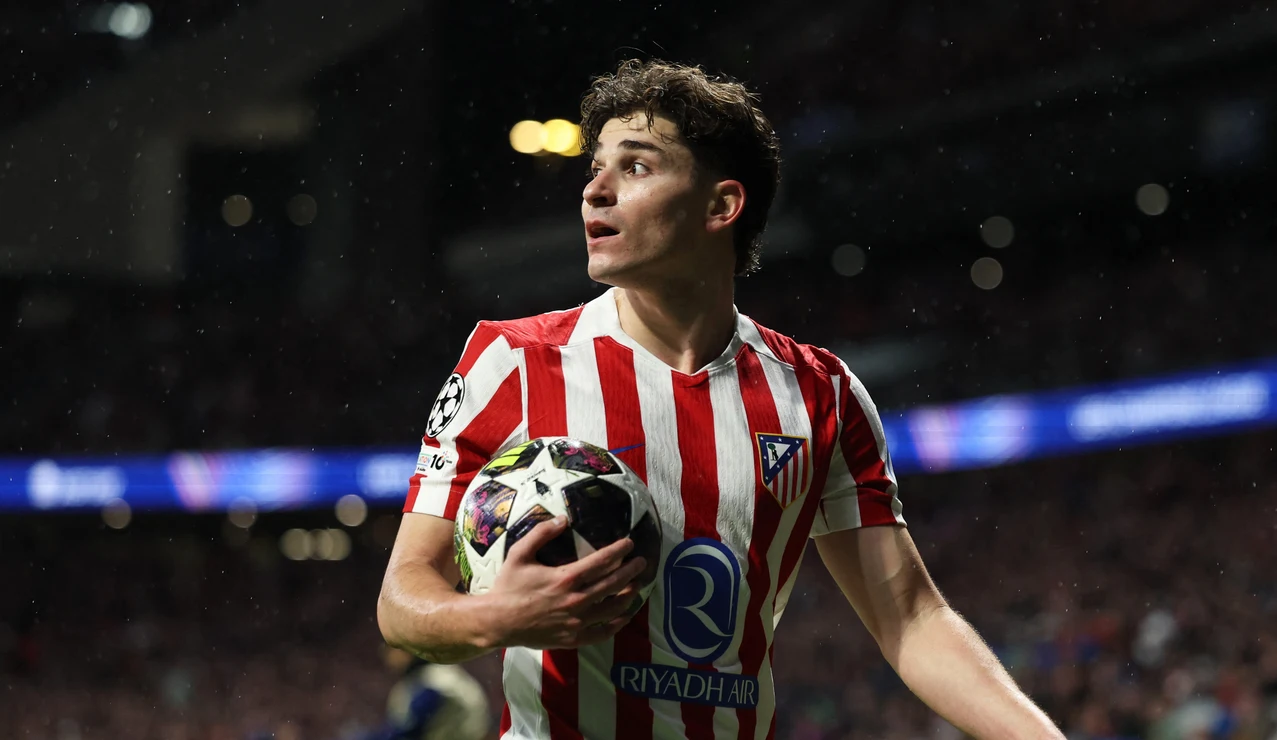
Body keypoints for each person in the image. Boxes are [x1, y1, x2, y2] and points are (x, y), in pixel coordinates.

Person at [378, 58, 1066, 740]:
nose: (595, 191)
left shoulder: (820, 394)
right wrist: (497, 619)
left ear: (721, 205)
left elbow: (911, 619)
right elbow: (404, 597)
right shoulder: (513, 362)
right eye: (596, 168)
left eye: (636, 166)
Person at [360, 645, 490, 740]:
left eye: (394, 649)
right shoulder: (435, 673)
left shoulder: (432, 678)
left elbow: (408, 729)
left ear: (408, 651)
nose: (388, 657)